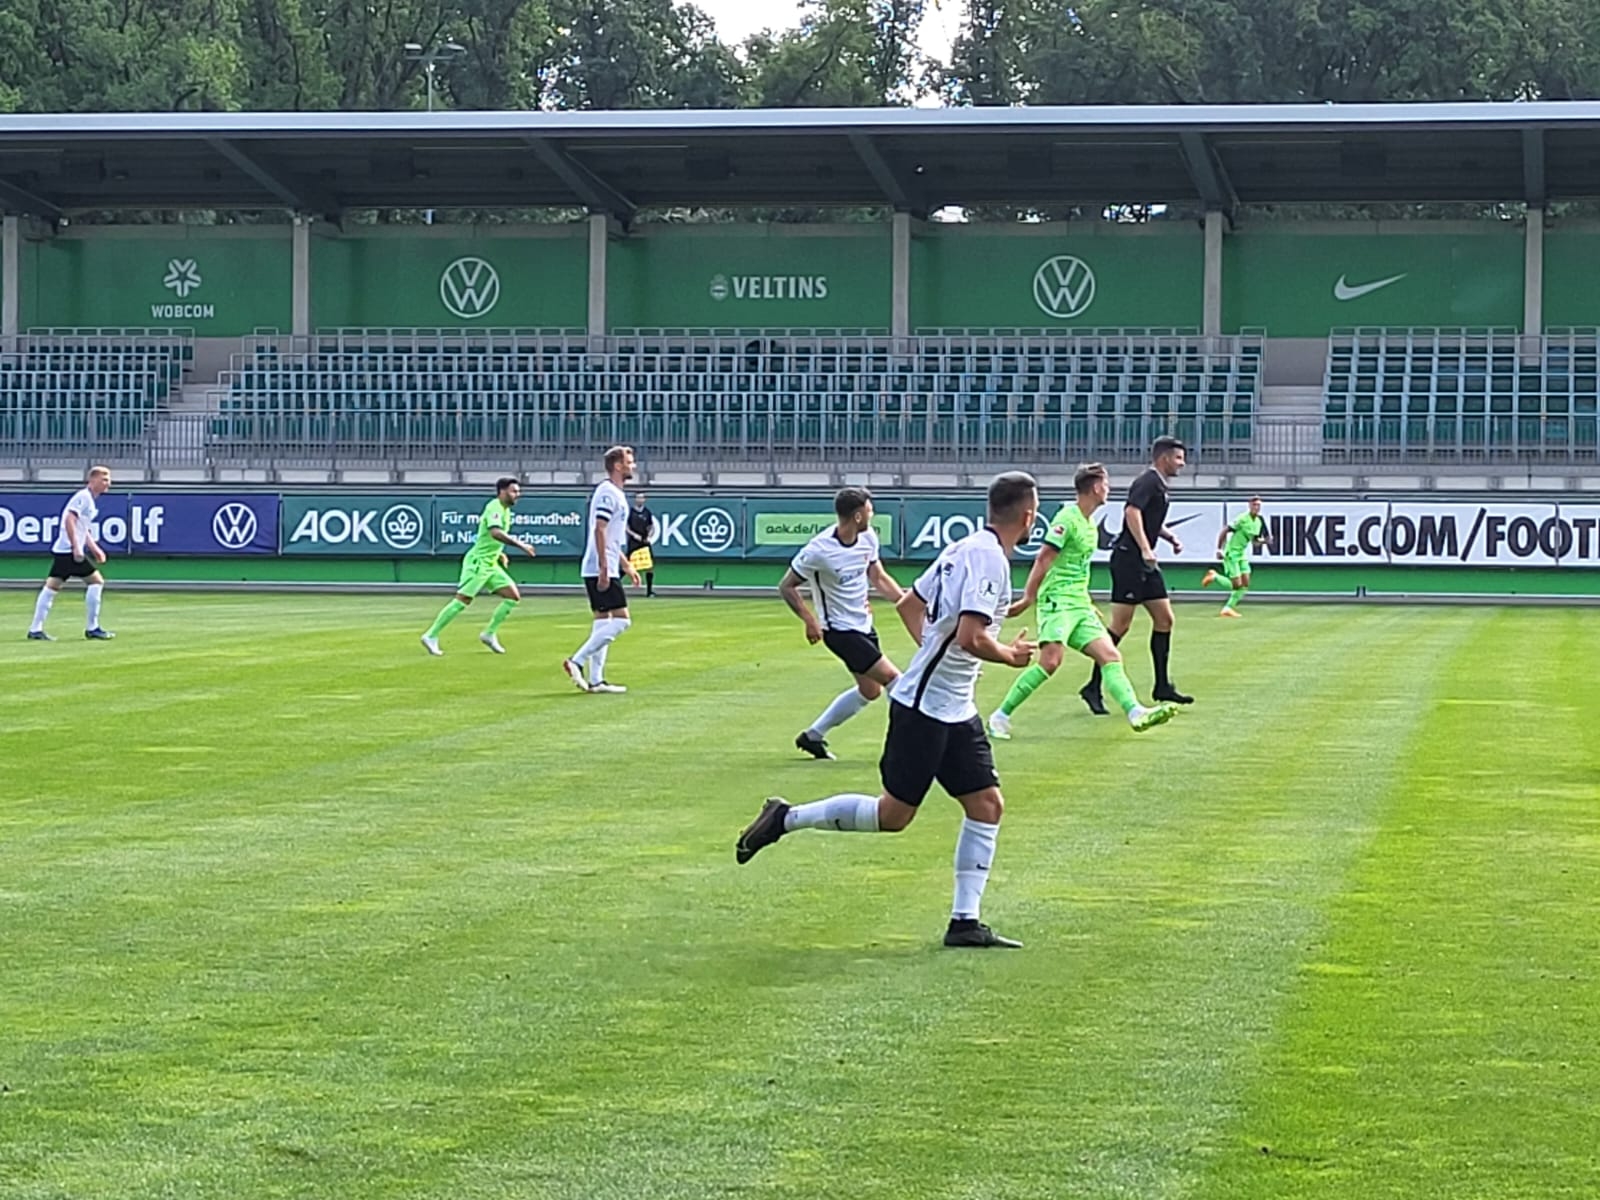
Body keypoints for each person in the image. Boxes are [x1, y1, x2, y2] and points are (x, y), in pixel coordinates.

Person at [735, 471, 1040, 950]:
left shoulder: (962, 547)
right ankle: (785, 817)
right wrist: (1008, 656)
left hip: (954, 707)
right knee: (894, 815)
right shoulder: (989, 560)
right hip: (925, 709)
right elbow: (970, 637)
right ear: (1028, 515)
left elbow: (909, 606)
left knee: (987, 804)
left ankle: (965, 922)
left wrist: (934, 656)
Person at [988, 464, 1178, 739]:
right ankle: (1000, 716)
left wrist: (1087, 602)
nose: (1109, 489)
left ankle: (1135, 712)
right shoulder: (1067, 519)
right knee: (1050, 662)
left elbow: (1077, 568)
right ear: (1096, 487)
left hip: (1078, 604)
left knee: (1110, 656)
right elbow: (1044, 558)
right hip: (1057, 601)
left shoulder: (1089, 524)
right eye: (1106, 484)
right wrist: (1029, 597)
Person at [780, 487, 905, 761]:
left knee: (870, 690)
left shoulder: (868, 538)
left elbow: (878, 576)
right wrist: (809, 620)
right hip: (839, 631)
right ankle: (906, 748)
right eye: (870, 510)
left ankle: (813, 736)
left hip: (863, 625)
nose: (873, 514)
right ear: (858, 516)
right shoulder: (819, 550)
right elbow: (787, 586)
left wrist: (905, 601)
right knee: (895, 679)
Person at [1081, 435, 1192, 713]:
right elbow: (1132, 512)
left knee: (1165, 619)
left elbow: (1148, 518)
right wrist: (1144, 548)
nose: (1182, 463)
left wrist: (1168, 537)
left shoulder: (1159, 485)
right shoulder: (1148, 481)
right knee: (1120, 625)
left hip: (1144, 562)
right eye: (1178, 458)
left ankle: (1162, 686)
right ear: (1164, 458)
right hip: (1129, 560)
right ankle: (1092, 686)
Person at [421, 477, 539, 656]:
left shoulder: (506, 511)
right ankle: (431, 635)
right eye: (514, 491)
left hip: (490, 563)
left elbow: (487, 537)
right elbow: (495, 532)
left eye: (518, 491)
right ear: (502, 492)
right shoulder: (494, 508)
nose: (518, 495)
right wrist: (521, 545)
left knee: (512, 596)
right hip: (478, 563)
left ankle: (489, 634)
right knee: (463, 600)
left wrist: (499, 553)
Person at [564, 445, 642, 694]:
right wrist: (604, 568)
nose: (633, 465)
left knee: (603, 620)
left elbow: (611, 537)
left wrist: (625, 564)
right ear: (618, 466)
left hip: (604, 563)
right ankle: (576, 660)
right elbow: (600, 529)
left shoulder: (615, 493)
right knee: (622, 620)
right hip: (600, 565)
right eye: (629, 461)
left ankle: (596, 680)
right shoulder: (608, 492)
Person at [28, 465, 115, 641]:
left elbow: (82, 527)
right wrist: (76, 547)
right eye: (104, 479)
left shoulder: (89, 499)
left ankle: (35, 629)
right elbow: (70, 519)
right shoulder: (83, 497)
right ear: (92, 480)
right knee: (96, 582)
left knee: (51, 587)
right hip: (69, 551)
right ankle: (92, 628)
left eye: (108, 480)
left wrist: (94, 548)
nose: (108, 483)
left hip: (64, 550)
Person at [1202, 496, 1272, 617]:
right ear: (1249, 506)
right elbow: (1225, 530)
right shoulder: (1242, 519)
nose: (1256, 507)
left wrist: (1265, 541)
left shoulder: (1259, 521)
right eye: (1254, 505)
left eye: (1258, 505)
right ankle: (1214, 576)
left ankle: (1227, 609)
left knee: (1245, 584)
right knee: (1236, 585)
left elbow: (1254, 542)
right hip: (1232, 553)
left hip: (1242, 554)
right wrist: (1219, 549)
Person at [626, 491, 657, 598]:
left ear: (644, 500)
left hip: (644, 541)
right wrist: (633, 535)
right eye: (638, 498)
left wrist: (649, 536)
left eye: (641, 498)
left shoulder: (647, 512)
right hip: (633, 542)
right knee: (627, 565)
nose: (640, 500)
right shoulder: (630, 512)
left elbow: (651, 526)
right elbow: (626, 526)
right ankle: (613, 588)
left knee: (649, 566)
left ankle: (649, 591)